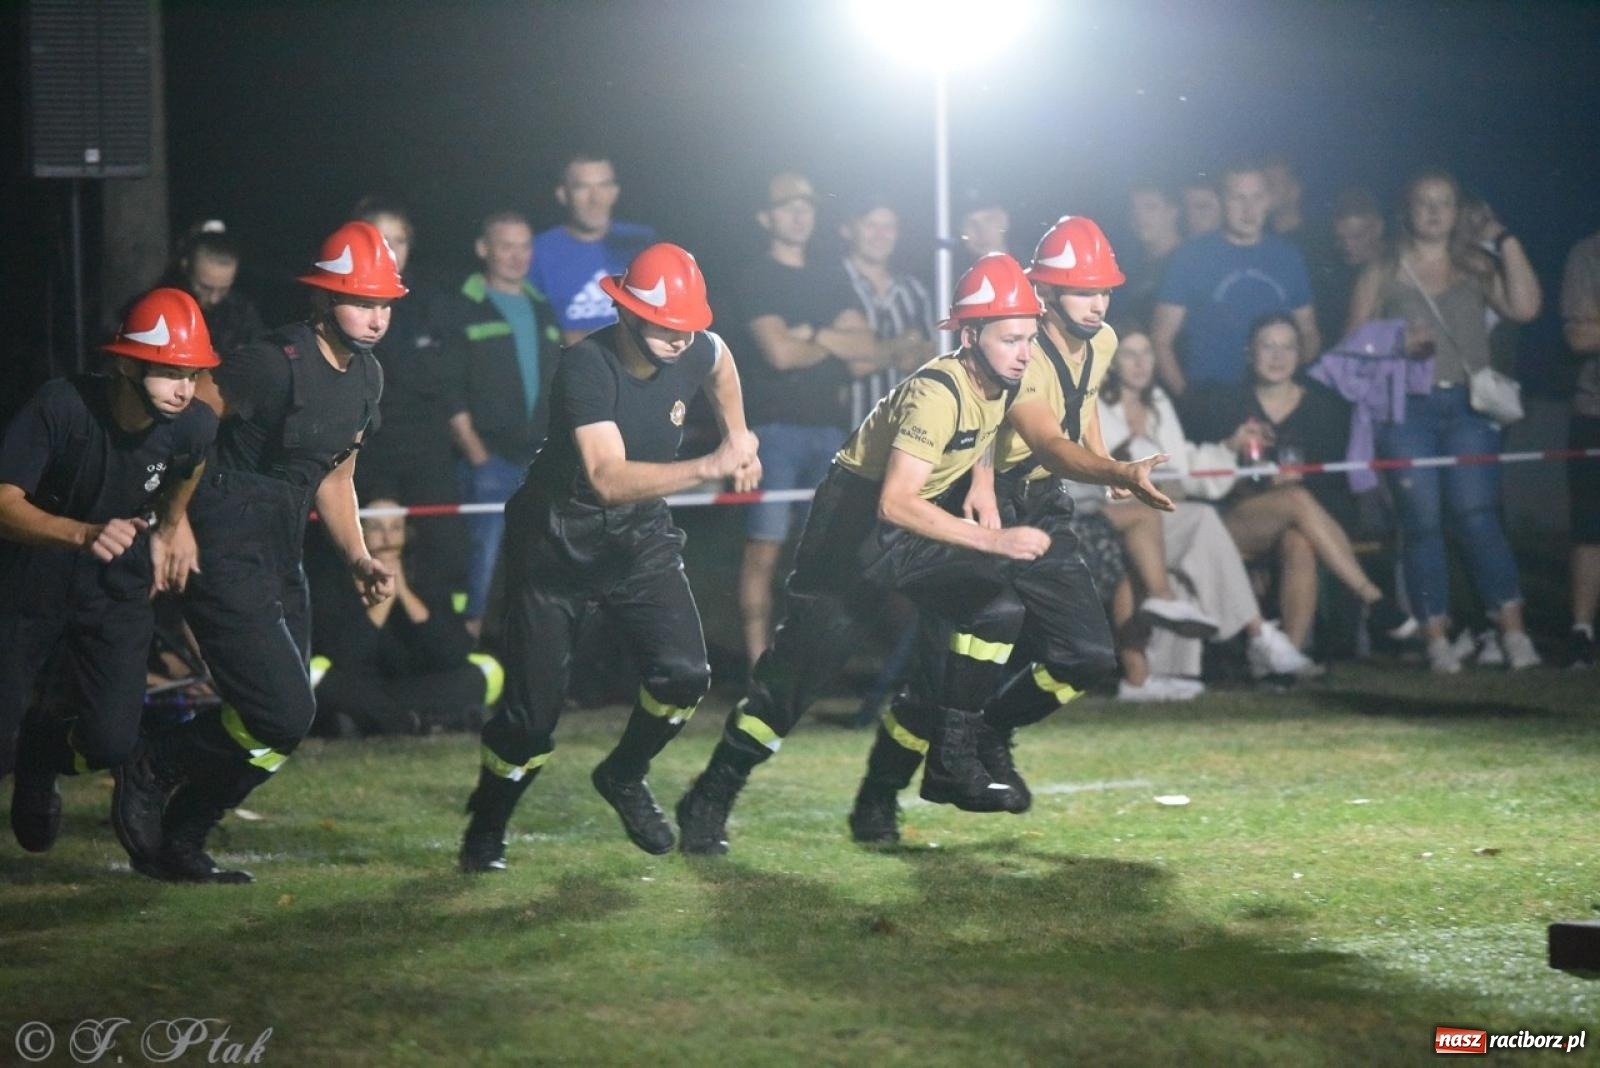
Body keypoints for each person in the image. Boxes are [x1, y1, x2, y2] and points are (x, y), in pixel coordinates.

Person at [675, 254, 1057, 856]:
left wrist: (982, 483)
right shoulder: (935, 393)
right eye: (1011, 338)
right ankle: (710, 795)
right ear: (969, 337)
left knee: (993, 613)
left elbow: (983, 431)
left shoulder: (1005, 376)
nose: (1024, 351)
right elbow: (896, 504)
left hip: (913, 525)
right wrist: (993, 539)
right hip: (855, 528)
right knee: (793, 684)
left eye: (1029, 338)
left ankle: (925, 773)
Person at [847, 217, 1177, 844]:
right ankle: (878, 798)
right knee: (938, 680)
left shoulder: (1103, 340)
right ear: (1045, 292)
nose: (1098, 302)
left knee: (1088, 657)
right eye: (1082, 290)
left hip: (1042, 504)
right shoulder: (1019, 351)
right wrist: (1110, 469)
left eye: (1104, 289)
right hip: (983, 507)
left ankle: (990, 730)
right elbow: (1048, 443)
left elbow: (1078, 415)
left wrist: (1107, 465)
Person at [112, 221, 403, 883]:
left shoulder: (368, 378)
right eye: (362, 300)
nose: (376, 316)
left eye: (385, 303)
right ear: (324, 300)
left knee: (279, 725)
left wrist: (358, 556)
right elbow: (190, 426)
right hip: (222, 528)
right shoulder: (272, 361)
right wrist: (174, 520)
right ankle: (154, 756)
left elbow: (336, 477)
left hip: (280, 541)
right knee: (285, 709)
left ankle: (181, 840)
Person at [457, 243, 760, 871]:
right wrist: (709, 465)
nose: (681, 341)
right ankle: (487, 825)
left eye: (688, 327)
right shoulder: (585, 367)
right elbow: (606, 478)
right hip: (554, 547)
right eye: (667, 327)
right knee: (531, 720)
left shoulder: (695, 343)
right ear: (627, 314)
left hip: (638, 539)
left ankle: (624, 773)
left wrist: (737, 432)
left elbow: (721, 358)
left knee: (684, 676)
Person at [1, 289, 218, 854]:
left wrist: (172, 527)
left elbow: (189, 468)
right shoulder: (62, 405)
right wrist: (82, 532)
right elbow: (2, 502)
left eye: (192, 373)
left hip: (114, 582)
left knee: (109, 742)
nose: (184, 387)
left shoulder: (193, 424)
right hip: (30, 576)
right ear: (125, 362)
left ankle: (39, 756)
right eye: (171, 371)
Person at [1102, 318, 1411, 683]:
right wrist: (1249, 473)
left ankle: (1284, 660)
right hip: (1200, 516)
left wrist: (1231, 449)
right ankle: (1369, 598)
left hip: (1213, 514)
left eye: (1147, 354)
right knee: (1291, 499)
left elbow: (1187, 467)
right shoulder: (1222, 404)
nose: (1141, 363)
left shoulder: (1158, 403)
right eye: (1130, 355)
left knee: (1299, 537)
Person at [1347, 170, 1542, 673]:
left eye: (1445, 203)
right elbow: (1350, 344)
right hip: (1407, 410)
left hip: (1470, 408)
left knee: (1479, 518)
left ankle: (1514, 635)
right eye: (1424, 202)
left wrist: (1504, 238)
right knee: (1422, 524)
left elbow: (1526, 306)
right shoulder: (1383, 268)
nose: (1434, 212)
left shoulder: (1475, 265)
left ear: (1458, 211)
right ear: (1407, 210)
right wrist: (1393, 341)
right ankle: (1436, 639)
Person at [735, 171, 878, 669]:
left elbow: (865, 353)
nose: (800, 213)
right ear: (765, 217)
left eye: (808, 205)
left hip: (831, 432)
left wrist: (811, 336)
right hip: (774, 432)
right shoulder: (756, 276)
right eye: (788, 204)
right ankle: (758, 667)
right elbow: (777, 353)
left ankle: (815, 663)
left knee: (829, 554)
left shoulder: (829, 276)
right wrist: (829, 340)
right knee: (765, 549)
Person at [442, 211, 563, 632]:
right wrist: (477, 455)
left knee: (537, 575)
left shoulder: (543, 308)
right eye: (506, 245)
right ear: (483, 249)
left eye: (524, 245)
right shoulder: (463, 306)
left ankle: (526, 680)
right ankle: (465, 678)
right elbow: (449, 388)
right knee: (479, 572)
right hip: (488, 462)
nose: (517, 256)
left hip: (540, 464)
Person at [350, 196, 467, 592]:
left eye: (398, 240)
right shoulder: (341, 299)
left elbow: (446, 376)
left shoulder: (434, 300)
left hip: (425, 445)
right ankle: (354, 647)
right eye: (380, 239)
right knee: (362, 546)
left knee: (444, 547)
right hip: (365, 445)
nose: (390, 250)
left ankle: (441, 641)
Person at [307, 497, 500, 737]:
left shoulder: (427, 574)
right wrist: (382, 601)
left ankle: (382, 720)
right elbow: (346, 658)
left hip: (419, 681)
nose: (387, 538)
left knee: (479, 674)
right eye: (376, 528)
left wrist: (405, 594)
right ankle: (433, 720)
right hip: (365, 683)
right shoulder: (334, 580)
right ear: (361, 533)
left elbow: (451, 653)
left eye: (395, 528)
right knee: (319, 677)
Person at [1153, 161, 1320, 404]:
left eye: (1257, 198)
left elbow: (1308, 332)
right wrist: (1189, 402)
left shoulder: (1288, 256)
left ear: (1268, 201)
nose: (1248, 209)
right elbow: (1160, 339)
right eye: (1237, 198)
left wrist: (1291, 389)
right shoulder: (1191, 256)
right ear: (1221, 202)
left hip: (1275, 404)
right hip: (1213, 400)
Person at [530, 151, 658, 345]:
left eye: (603, 185)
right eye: (582, 187)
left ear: (615, 192)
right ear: (563, 195)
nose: (595, 199)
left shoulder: (642, 243)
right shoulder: (535, 252)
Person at [1560, 225, 1600, 668]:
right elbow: (1579, 336)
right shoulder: (1587, 253)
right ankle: (1581, 630)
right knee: (1591, 527)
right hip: (1595, 410)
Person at [1123, 182, 1183, 326]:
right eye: (1134, 209)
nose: (1140, 217)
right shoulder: (1128, 264)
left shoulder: (1189, 263)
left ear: (1172, 211)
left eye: (1150, 208)